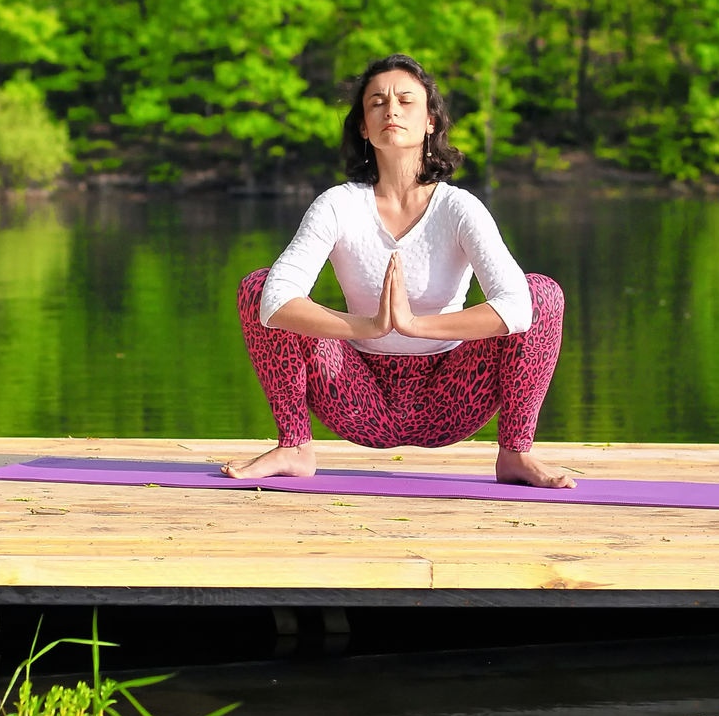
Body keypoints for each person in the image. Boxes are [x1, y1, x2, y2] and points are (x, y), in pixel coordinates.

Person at [225, 53, 573, 486]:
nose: (391, 109)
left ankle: (516, 454)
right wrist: (368, 326)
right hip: (355, 397)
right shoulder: (338, 204)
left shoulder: (458, 208)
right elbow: (275, 301)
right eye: (376, 102)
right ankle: (294, 445)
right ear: (363, 127)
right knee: (258, 288)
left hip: (450, 398)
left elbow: (519, 307)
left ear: (430, 121)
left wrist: (413, 325)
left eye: (405, 100)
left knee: (542, 294)